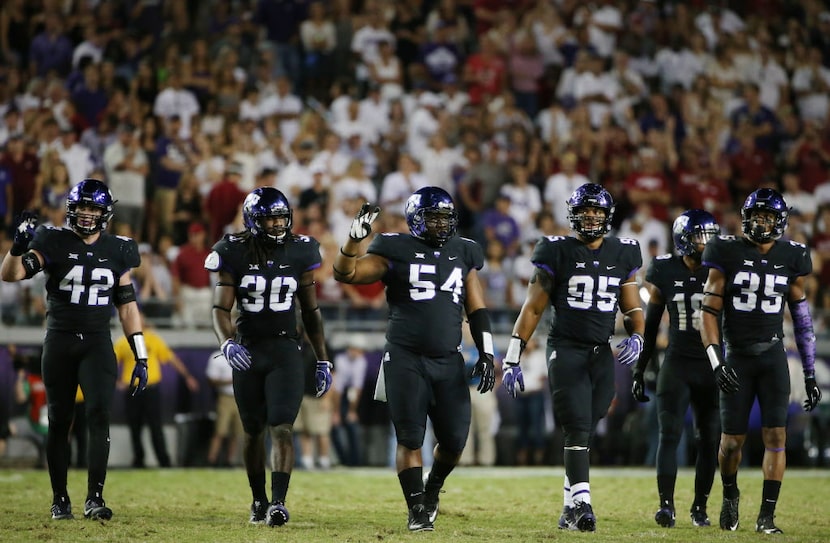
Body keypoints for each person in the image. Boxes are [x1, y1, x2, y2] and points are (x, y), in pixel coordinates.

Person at [333, 186, 496, 532]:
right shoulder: (394, 247)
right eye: (432, 217)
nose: (439, 224)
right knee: (410, 437)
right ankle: (416, 508)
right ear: (416, 220)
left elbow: (477, 306)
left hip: (448, 358)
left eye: (444, 217)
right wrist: (352, 241)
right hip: (405, 356)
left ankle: (432, 489)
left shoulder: (464, 251)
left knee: (454, 442)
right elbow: (346, 274)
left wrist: (487, 351)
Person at [0, 178, 148, 521]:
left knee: (99, 414)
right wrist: (16, 247)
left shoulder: (118, 249)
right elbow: (11, 274)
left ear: (105, 213)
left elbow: (127, 305)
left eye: (93, 207)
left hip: (97, 342)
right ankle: (59, 498)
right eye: (82, 206)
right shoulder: (52, 241)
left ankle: (94, 497)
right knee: (60, 420)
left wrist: (140, 354)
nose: (86, 213)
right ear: (71, 207)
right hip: (60, 340)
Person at [500, 183, 645, 532]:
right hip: (565, 348)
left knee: (589, 423)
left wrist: (639, 334)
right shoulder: (555, 249)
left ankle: (567, 506)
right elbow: (533, 307)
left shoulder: (622, 253)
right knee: (577, 426)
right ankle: (582, 503)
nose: (591, 217)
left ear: (608, 216)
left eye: (597, 211)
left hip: (600, 351)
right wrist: (512, 355)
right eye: (585, 212)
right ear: (573, 215)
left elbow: (632, 302)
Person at [205, 187, 332, 527]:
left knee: (283, 428)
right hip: (249, 348)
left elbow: (311, 310)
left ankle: (278, 502)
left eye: (281, 217)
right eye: (269, 218)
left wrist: (322, 358)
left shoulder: (301, 250)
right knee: (252, 430)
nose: (277, 224)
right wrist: (227, 342)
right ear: (252, 221)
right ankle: (258, 499)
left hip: (286, 350)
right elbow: (220, 308)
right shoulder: (233, 250)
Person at [700, 188, 822, 534]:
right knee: (731, 443)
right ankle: (730, 494)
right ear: (745, 218)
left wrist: (810, 373)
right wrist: (717, 361)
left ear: (780, 221)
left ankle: (767, 516)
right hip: (737, 356)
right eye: (756, 216)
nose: (761, 222)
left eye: (768, 217)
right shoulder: (726, 251)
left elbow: (802, 319)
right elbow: (708, 312)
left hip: (772, 356)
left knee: (776, 434)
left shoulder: (792, 256)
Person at [631, 209, 722, 528]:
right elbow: (652, 324)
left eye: (711, 236)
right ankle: (666, 505)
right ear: (684, 238)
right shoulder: (665, 268)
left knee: (709, 439)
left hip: (711, 365)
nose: (707, 243)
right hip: (678, 363)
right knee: (668, 435)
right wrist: (641, 368)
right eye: (701, 236)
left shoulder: (721, 267)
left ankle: (700, 508)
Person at [114, 314, 199, 468]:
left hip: (151, 388)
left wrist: (187, 377)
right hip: (132, 389)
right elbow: (111, 362)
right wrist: (116, 381)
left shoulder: (153, 339)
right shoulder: (123, 341)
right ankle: (138, 460)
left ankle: (163, 460)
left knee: (155, 426)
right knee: (135, 426)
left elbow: (172, 358)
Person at [205, 349, 244, 467]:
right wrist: (230, 381)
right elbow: (211, 380)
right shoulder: (218, 357)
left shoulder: (244, 355)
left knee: (236, 432)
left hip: (240, 398)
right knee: (220, 431)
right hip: (225, 398)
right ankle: (211, 460)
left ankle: (230, 461)